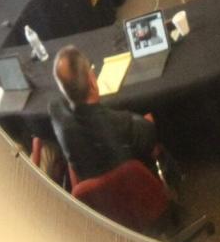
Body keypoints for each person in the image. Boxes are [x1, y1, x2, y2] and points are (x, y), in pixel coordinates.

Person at [48, 45, 158, 181]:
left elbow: (58, 103)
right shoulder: (124, 123)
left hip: (95, 198)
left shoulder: (57, 114)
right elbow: (150, 138)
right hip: (135, 187)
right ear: (92, 81)